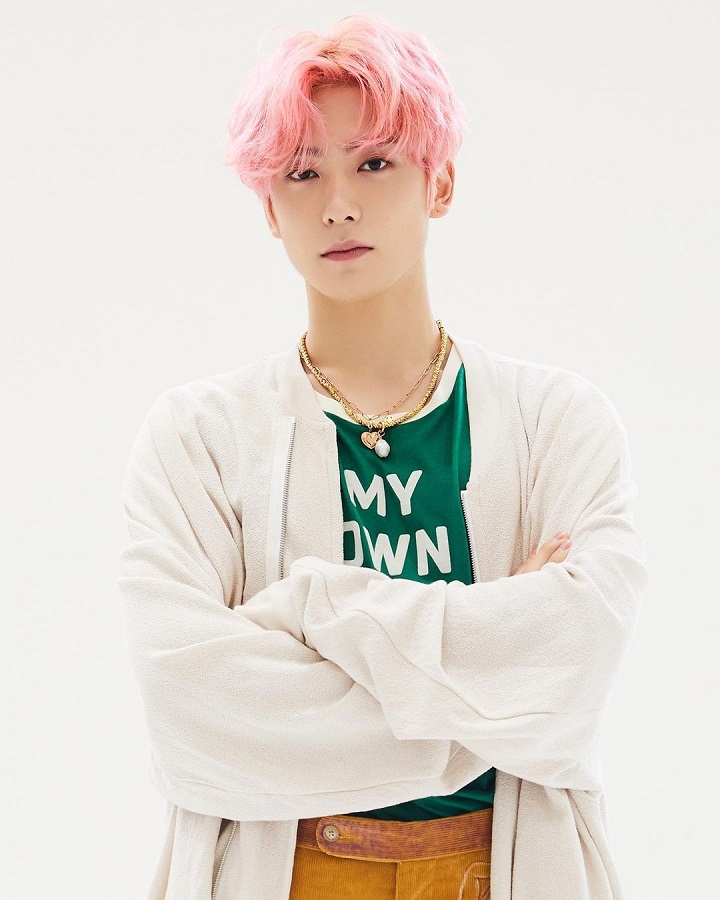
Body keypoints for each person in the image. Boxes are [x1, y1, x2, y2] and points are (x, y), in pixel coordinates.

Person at [116, 13, 649, 900]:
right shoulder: (198, 440)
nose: (338, 204)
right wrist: (496, 689)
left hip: (501, 869)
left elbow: (575, 673)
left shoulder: (559, 423)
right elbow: (192, 708)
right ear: (269, 207)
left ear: (440, 181)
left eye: (373, 163)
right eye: (302, 173)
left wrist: (313, 608)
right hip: (289, 873)